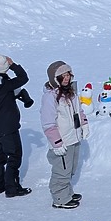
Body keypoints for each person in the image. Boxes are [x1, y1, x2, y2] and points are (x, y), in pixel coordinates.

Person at [0, 53, 32, 197]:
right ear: (5, 67)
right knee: (14, 156)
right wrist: (13, 65)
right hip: (8, 128)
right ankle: (12, 189)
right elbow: (23, 78)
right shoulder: (4, 85)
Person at [40, 60, 89, 209]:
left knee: (71, 169)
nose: (66, 78)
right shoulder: (51, 97)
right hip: (62, 141)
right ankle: (60, 198)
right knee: (61, 171)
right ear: (55, 78)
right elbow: (48, 123)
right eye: (62, 76)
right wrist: (57, 143)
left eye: (68, 74)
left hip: (73, 137)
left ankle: (67, 192)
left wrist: (84, 124)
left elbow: (78, 111)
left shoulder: (71, 92)